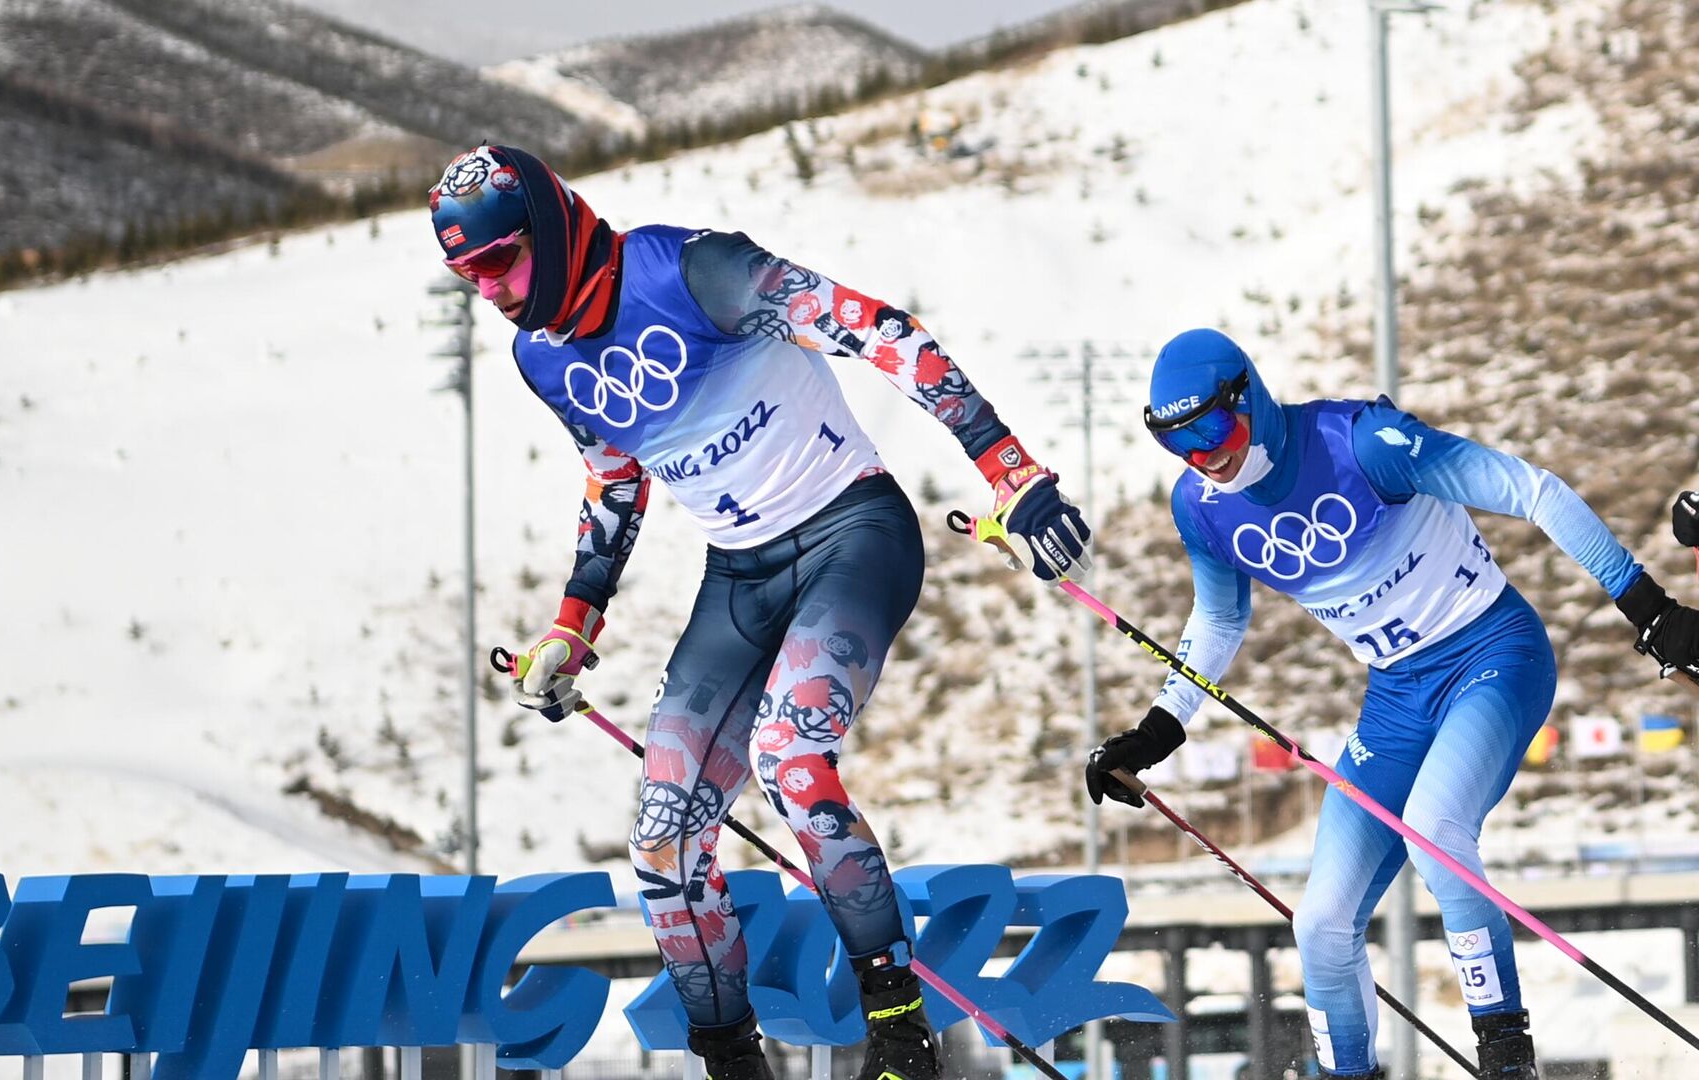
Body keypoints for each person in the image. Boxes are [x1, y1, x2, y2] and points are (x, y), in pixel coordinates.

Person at [428, 145, 1092, 1080]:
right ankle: (733, 1063)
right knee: (663, 844)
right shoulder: (540, 357)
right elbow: (615, 474)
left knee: (790, 759)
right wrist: (574, 624)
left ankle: (901, 1034)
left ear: (549, 223)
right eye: (466, 276)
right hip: (738, 579)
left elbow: (885, 332)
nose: (489, 291)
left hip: (851, 533)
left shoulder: (692, 271)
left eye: (499, 262)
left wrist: (1011, 471)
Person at [1081, 329, 1699, 1080]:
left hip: (1493, 656)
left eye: (1213, 428)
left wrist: (1650, 608)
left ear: (1250, 397)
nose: (1204, 455)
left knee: (1435, 831)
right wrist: (1158, 730)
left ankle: (1507, 1059)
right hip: (1398, 699)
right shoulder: (1203, 507)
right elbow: (1218, 620)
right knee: (1320, 921)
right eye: (1177, 442)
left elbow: (1531, 490)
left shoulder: (1361, 443)